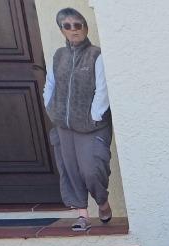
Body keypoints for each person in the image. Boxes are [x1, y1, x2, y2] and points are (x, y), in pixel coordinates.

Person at [43, 9, 112, 232]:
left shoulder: (96, 55)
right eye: (68, 26)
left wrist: (94, 115)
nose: (74, 30)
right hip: (63, 124)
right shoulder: (58, 56)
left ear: (86, 27)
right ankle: (82, 214)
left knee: (92, 169)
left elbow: (103, 89)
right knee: (70, 169)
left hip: (92, 125)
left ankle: (102, 201)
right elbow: (50, 85)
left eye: (78, 25)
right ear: (62, 30)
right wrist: (51, 108)